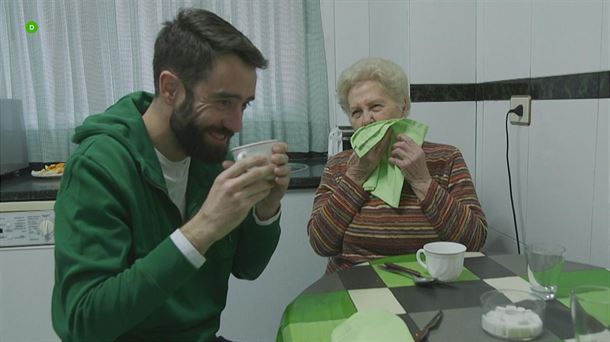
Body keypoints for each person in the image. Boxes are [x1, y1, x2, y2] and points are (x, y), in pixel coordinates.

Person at [51, 9, 290, 341]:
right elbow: (83, 323)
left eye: (244, 105)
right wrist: (204, 226)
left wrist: (265, 209)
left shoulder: (207, 156)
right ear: (170, 88)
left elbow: (247, 268)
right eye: (223, 101)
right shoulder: (98, 167)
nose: (236, 124)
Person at [308, 57, 487, 273]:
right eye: (356, 112)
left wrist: (422, 181)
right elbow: (320, 244)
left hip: (427, 281)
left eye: (375, 106)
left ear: (403, 106)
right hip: (354, 284)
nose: (366, 120)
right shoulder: (339, 166)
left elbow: (475, 241)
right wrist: (355, 177)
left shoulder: (445, 158)